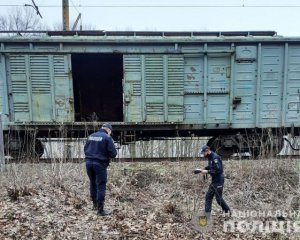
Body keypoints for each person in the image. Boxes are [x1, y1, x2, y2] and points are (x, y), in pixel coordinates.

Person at [84, 123, 117, 216]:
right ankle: (100, 210)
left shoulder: (91, 136)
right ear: (109, 130)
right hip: (100, 164)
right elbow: (113, 153)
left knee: (92, 183)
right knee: (101, 185)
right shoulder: (107, 138)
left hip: (88, 163)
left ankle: (94, 204)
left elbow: (85, 149)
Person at [194, 145, 231, 217]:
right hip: (214, 180)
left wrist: (207, 171)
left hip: (219, 180)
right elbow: (212, 166)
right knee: (208, 196)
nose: (203, 155)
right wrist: (203, 169)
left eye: (203, 153)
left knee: (218, 198)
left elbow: (218, 170)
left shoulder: (215, 157)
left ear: (207, 151)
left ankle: (227, 211)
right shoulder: (210, 157)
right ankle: (207, 214)